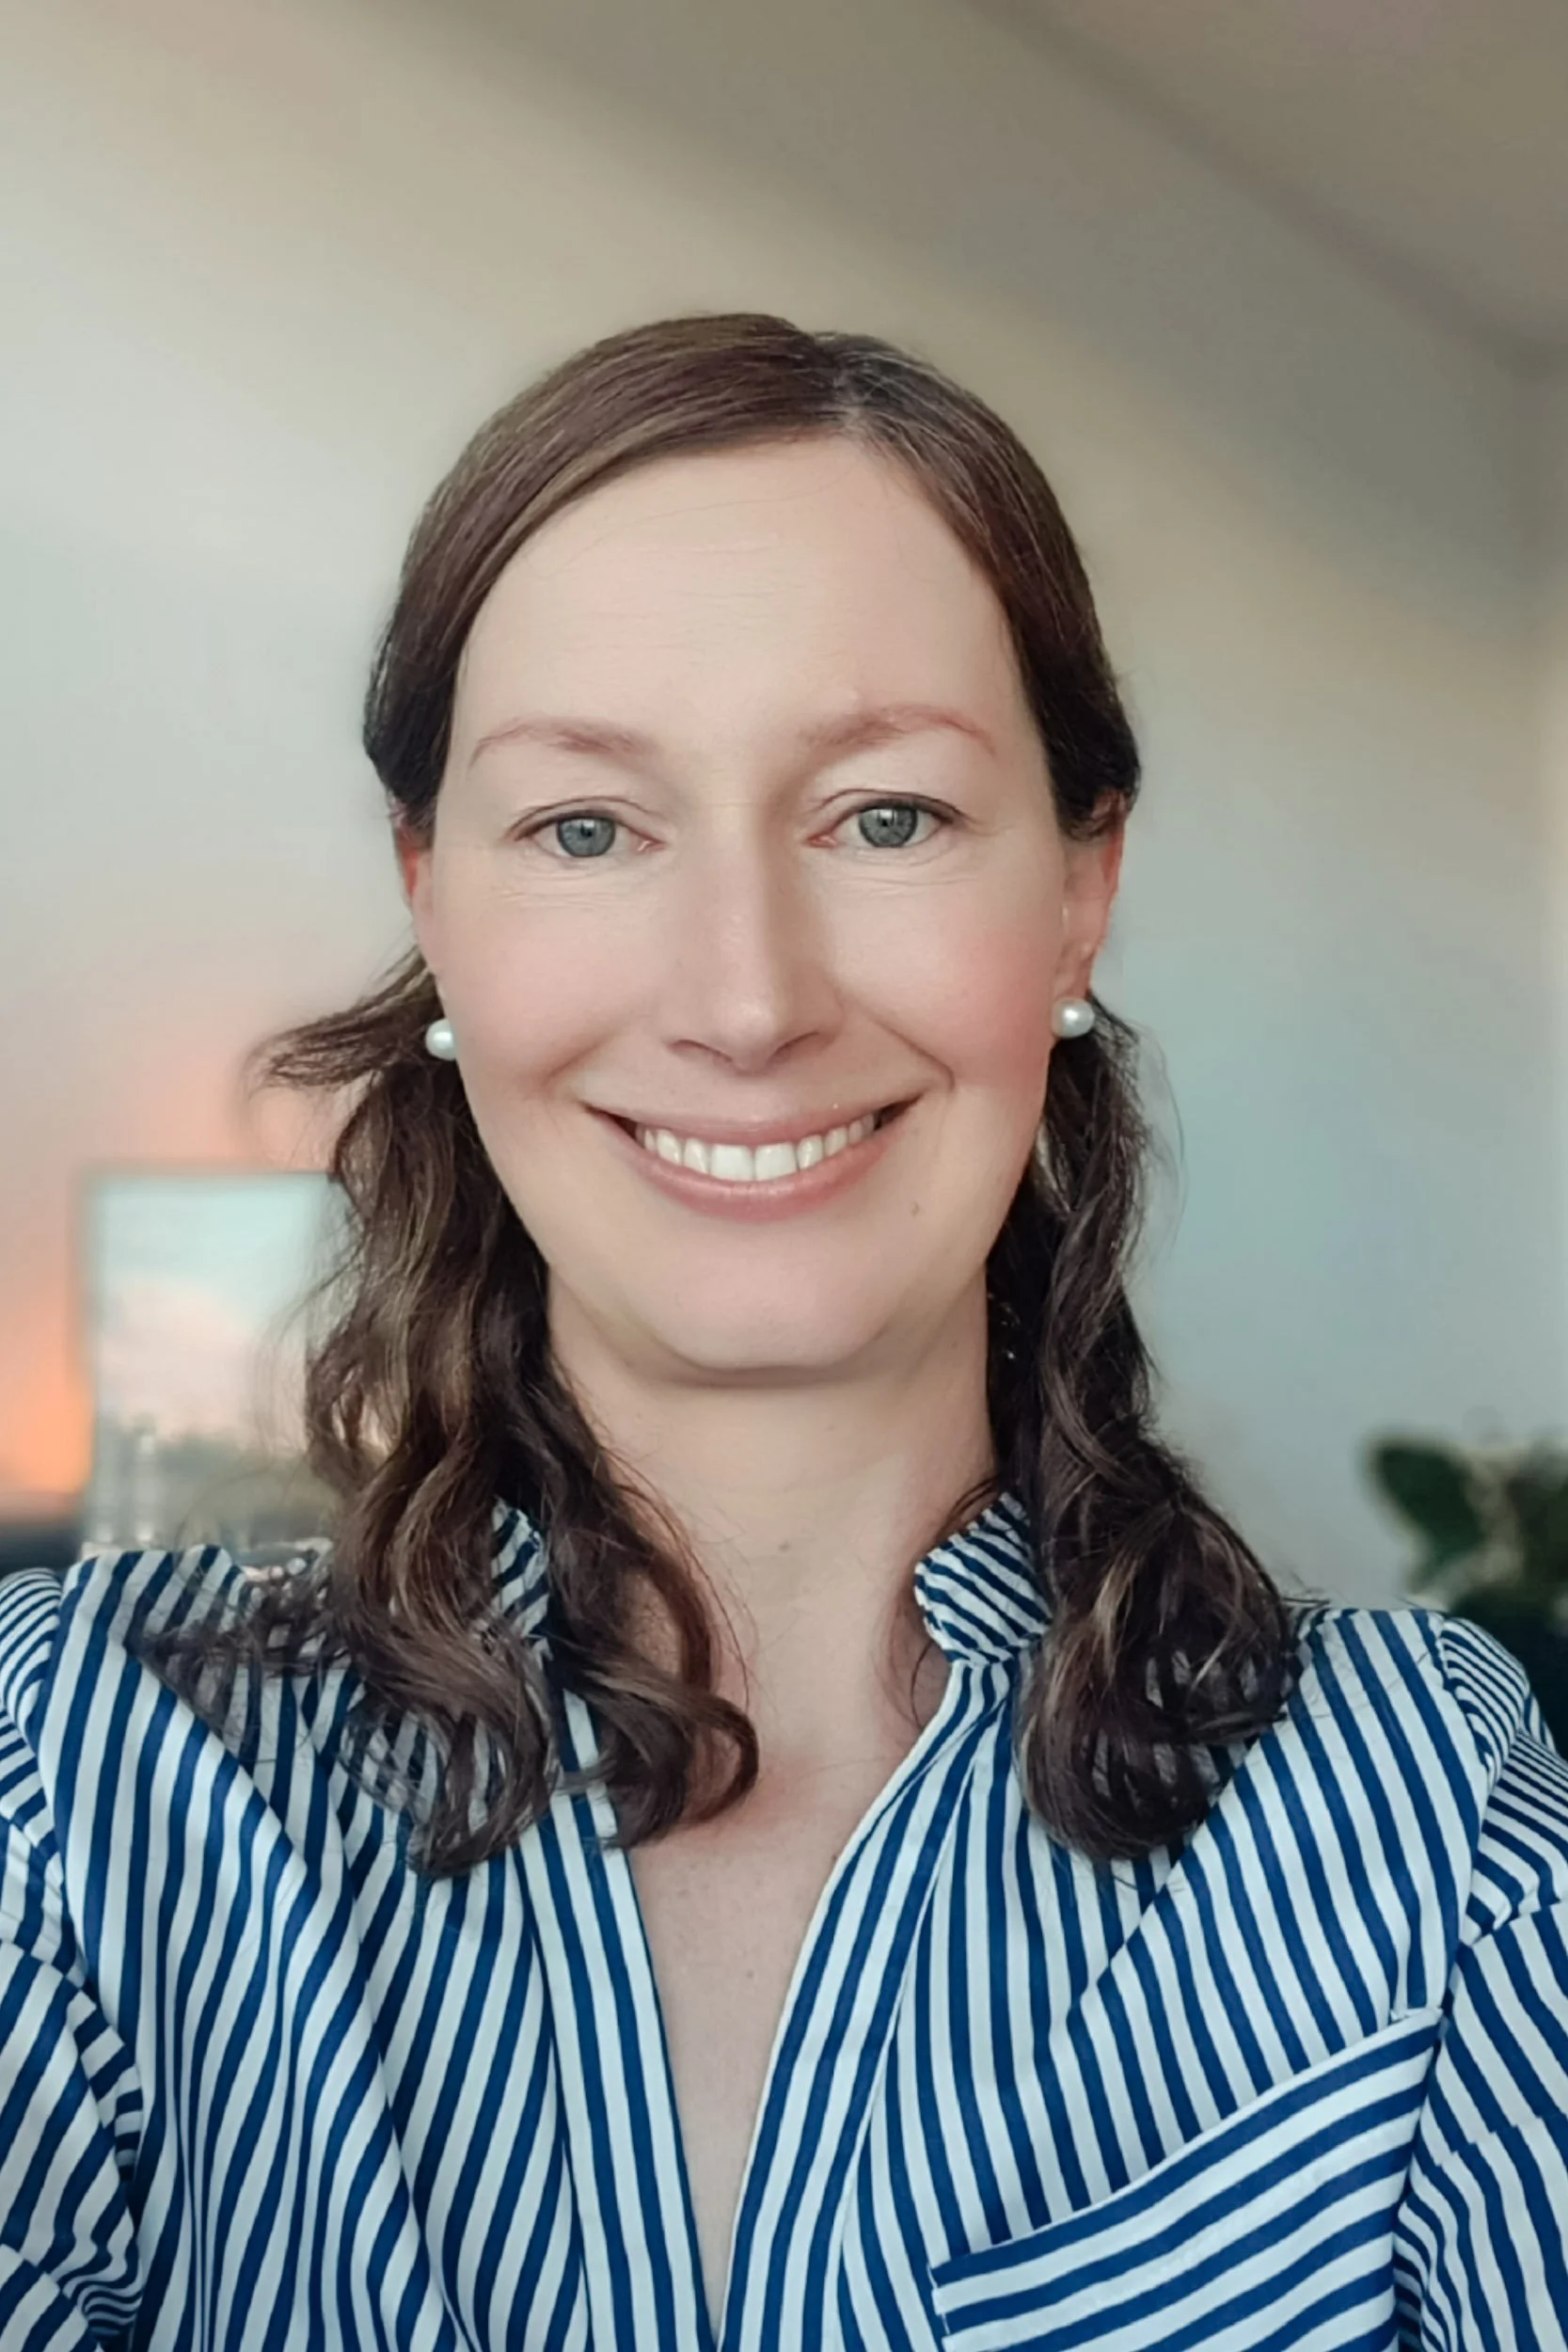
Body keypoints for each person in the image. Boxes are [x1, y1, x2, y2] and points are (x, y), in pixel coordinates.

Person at [2, 312, 1565, 2352]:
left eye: (885, 816)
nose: (745, 998)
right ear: (433, 894)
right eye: (587, 826)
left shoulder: (1419, 1816)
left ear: (1080, 882)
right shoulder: (76, 1777)